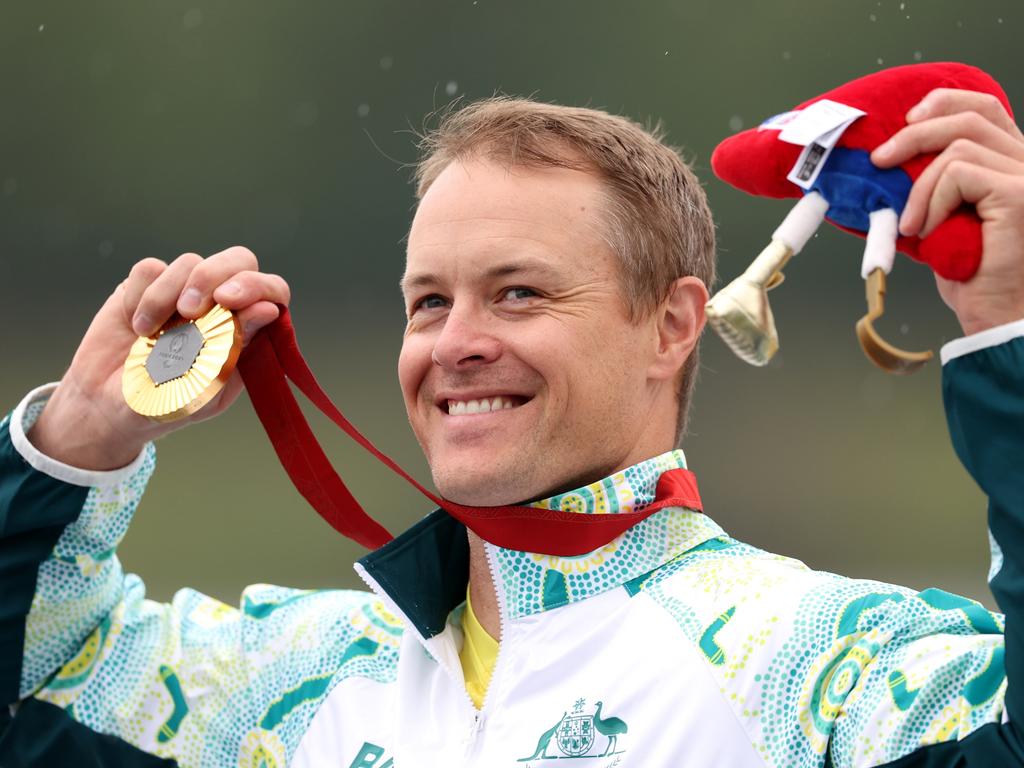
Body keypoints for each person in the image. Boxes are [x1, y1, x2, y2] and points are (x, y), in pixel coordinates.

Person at [1, 89, 1022, 768]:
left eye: (519, 293)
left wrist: (1009, 335)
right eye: (428, 302)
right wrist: (77, 445)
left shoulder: (817, 669)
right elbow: (33, 691)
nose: (457, 343)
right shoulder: (283, 687)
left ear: (670, 324)